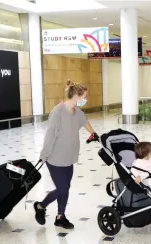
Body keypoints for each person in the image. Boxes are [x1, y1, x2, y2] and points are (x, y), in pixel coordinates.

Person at [33, 81, 99, 229]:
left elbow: (85, 122)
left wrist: (94, 134)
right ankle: (41, 206)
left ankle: (60, 216)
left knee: (65, 187)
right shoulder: (58, 111)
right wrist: (44, 155)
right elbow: (50, 134)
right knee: (62, 188)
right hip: (55, 157)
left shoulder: (77, 111)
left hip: (69, 157)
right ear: (76, 95)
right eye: (84, 97)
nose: (85, 100)